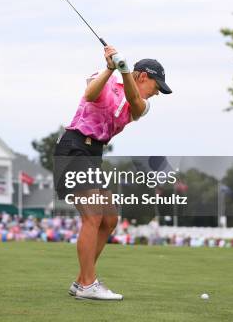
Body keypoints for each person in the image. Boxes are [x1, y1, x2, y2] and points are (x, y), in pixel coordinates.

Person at [54, 45, 172, 301]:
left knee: (109, 219)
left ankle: (81, 280)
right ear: (144, 76)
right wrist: (110, 69)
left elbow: (134, 102)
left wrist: (124, 70)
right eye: (156, 86)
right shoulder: (106, 77)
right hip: (74, 147)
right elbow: (89, 94)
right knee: (93, 216)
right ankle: (88, 284)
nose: (157, 93)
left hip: (93, 155)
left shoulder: (142, 105)